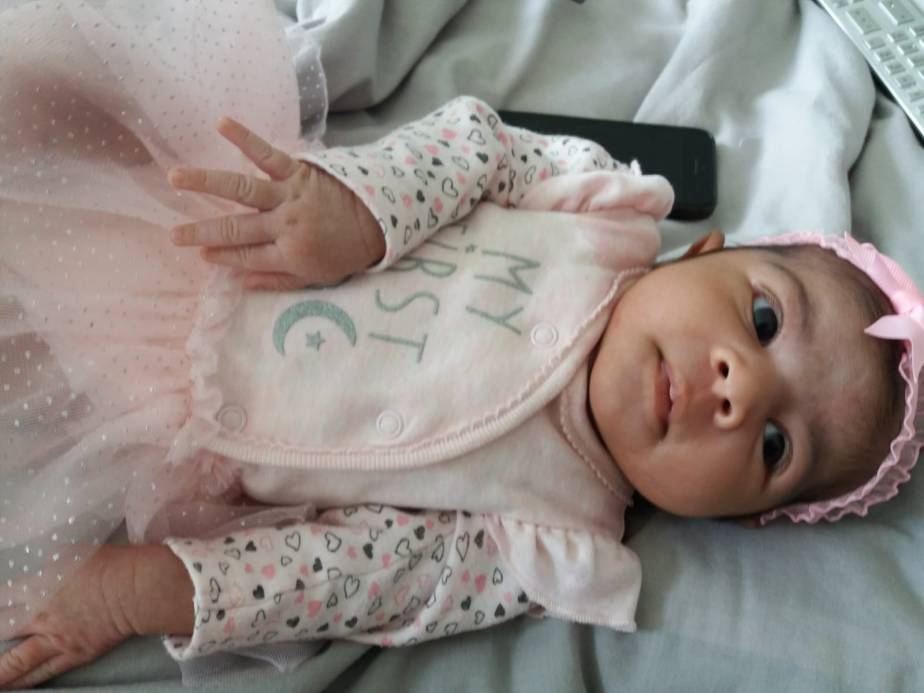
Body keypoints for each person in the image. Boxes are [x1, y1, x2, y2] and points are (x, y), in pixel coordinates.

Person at [1, 1, 923, 688]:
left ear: (738, 518)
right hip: (205, 228)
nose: (738, 389)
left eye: (775, 445)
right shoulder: (597, 210)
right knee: (51, 94)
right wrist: (364, 210)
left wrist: (141, 592)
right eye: (762, 321)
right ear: (706, 252)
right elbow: (478, 147)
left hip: (150, 432)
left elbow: (351, 576)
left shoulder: (545, 538)